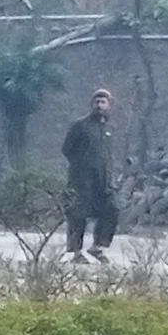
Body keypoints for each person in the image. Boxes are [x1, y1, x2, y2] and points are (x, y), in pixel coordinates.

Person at [60, 87, 119, 261]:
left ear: (109, 105)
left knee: (112, 209)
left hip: (104, 180)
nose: (99, 105)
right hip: (82, 180)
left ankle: (98, 247)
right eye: (96, 102)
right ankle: (75, 252)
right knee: (78, 214)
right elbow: (67, 149)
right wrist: (81, 166)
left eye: (103, 102)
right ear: (91, 104)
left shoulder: (108, 128)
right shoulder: (80, 126)